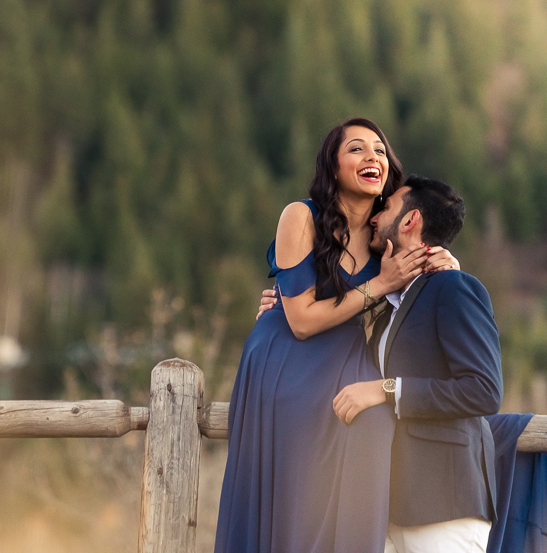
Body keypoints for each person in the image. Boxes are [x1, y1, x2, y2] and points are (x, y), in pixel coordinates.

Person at [214, 117, 453, 553]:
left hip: (347, 358)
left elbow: (436, 274)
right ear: (334, 167)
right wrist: (380, 285)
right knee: (291, 480)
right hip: (285, 356)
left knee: (375, 425)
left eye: (380, 151)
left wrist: (448, 264)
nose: (372, 158)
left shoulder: (387, 239)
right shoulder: (300, 217)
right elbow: (302, 321)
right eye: (357, 149)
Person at [331, 176, 502, 553]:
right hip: (388, 507)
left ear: (410, 221)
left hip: (445, 505)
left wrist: (386, 389)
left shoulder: (454, 287)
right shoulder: (389, 305)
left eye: (387, 208)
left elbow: (484, 390)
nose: (375, 218)